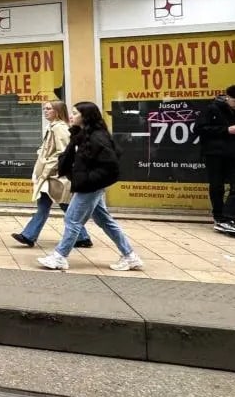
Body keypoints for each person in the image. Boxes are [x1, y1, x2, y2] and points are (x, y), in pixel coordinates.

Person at [37, 102, 144, 272]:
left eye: (75, 113)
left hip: (89, 186)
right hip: (89, 184)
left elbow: (110, 166)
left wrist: (88, 181)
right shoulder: (83, 134)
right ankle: (130, 256)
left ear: (85, 117)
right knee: (105, 220)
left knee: (72, 219)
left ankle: (60, 256)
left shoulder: (97, 137)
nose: (71, 116)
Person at [12, 101, 93, 249]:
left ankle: (82, 237)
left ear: (57, 111)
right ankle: (29, 235)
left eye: (49, 109)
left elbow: (63, 153)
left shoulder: (60, 128)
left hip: (55, 175)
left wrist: (48, 167)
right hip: (50, 175)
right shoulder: (53, 127)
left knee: (64, 205)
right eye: (44, 108)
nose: (45, 111)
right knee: (47, 205)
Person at [196, 84, 235, 238]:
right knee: (217, 186)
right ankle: (220, 217)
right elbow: (199, 129)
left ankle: (229, 219)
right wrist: (226, 130)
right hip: (215, 153)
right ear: (227, 97)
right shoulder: (212, 108)